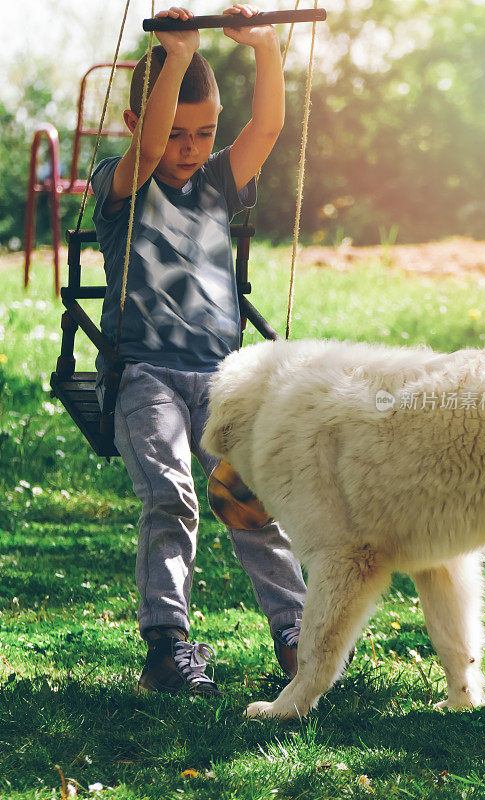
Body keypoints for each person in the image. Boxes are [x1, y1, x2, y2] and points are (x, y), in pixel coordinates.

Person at [91, 4, 306, 697]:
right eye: (178, 133)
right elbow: (151, 153)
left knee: (246, 496)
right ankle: (167, 646)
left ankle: (298, 630)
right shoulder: (121, 182)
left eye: (204, 132)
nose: (189, 147)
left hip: (218, 379)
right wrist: (176, 56)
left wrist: (264, 48)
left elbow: (267, 125)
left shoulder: (219, 182)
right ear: (138, 126)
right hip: (143, 376)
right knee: (172, 495)